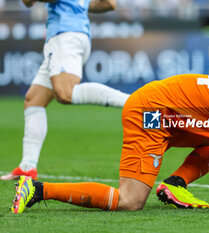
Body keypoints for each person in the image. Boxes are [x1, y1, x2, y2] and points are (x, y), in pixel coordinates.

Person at [10, 74, 209, 213]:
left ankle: (174, 183)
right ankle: (37, 190)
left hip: (169, 112)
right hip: (153, 114)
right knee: (130, 201)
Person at [0, 0, 130, 181]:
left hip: (65, 34)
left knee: (65, 93)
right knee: (34, 100)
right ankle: (27, 167)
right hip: (74, 34)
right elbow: (109, 3)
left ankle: (132, 101)